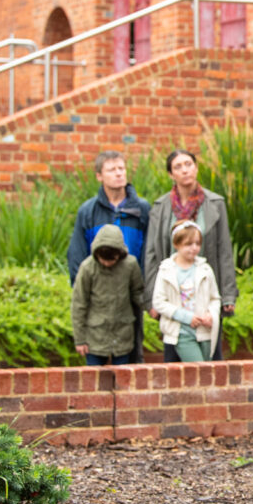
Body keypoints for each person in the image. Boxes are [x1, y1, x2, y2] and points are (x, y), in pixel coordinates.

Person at [67, 150, 150, 363]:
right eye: (112, 169)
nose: (118, 173)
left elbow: (150, 250)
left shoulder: (141, 209)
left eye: (121, 168)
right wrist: (84, 287)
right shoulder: (88, 211)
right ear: (99, 175)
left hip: (130, 292)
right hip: (97, 295)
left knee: (131, 359)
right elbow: (77, 253)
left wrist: (146, 293)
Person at [71, 224, 146, 366]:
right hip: (95, 336)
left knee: (124, 378)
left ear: (120, 254)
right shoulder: (87, 268)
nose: (106, 263)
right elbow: (79, 303)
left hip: (123, 333)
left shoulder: (130, 265)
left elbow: (138, 292)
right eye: (102, 259)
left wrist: (150, 306)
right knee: (94, 380)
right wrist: (80, 340)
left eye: (111, 259)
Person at [151, 220, 221, 362]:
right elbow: (159, 302)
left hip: (204, 331)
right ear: (176, 244)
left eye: (197, 243)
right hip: (181, 332)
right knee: (200, 370)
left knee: (207, 372)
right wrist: (186, 317)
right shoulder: (166, 270)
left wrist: (211, 315)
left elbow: (215, 298)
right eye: (188, 244)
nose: (194, 248)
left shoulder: (205, 269)